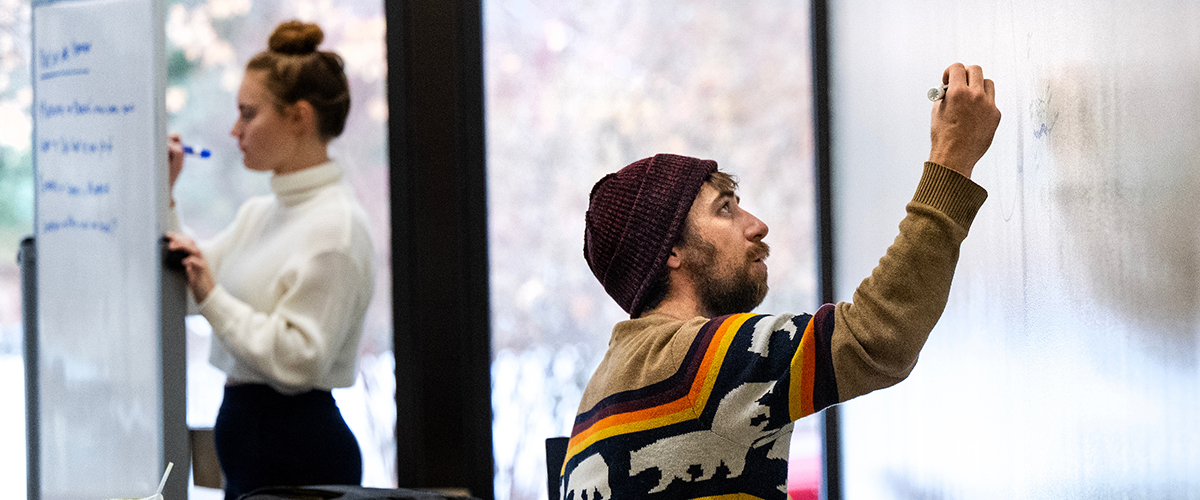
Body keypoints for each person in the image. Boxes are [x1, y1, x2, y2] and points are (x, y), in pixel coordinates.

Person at [561, 63, 1001, 499]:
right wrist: (952, 157)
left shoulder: (593, 406)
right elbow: (876, 337)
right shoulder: (692, 369)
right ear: (671, 252)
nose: (757, 225)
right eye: (725, 209)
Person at [164, 20, 374, 500]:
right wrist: (167, 192)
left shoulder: (336, 229)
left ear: (298, 116)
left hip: (299, 451)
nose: (235, 130)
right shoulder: (262, 214)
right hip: (253, 450)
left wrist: (213, 296)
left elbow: (298, 359)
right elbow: (189, 284)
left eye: (248, 114)